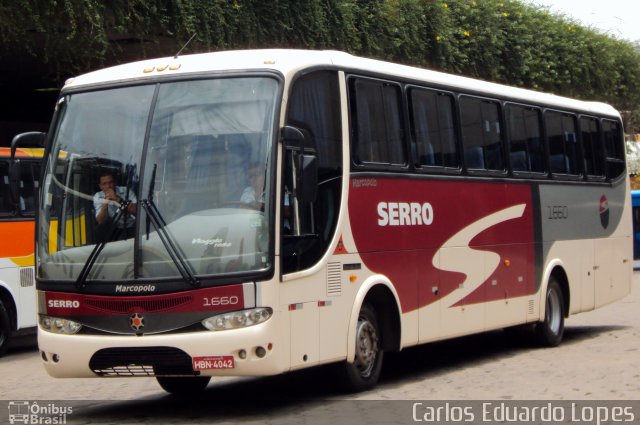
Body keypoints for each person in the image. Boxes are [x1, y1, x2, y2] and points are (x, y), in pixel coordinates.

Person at [93, 171, 137, 239]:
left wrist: (118, 199)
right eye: (104, 184)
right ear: (100, 186)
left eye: (110, 182)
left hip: (132, 227)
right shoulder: (98, 196)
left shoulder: (127, 191)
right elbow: (100, 221)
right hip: (114, 230)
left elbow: (136, 211)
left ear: (115, 183)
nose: (108, 186)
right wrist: (105, 203)